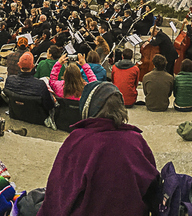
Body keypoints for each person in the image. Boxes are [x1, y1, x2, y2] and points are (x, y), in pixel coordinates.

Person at [38, 82, 161, 216]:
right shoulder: (136, 140)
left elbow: (58, 192)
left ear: (88, 108)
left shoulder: (76, 141)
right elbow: (152, 187)